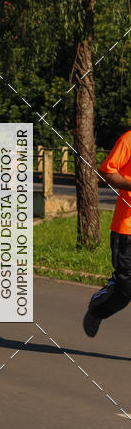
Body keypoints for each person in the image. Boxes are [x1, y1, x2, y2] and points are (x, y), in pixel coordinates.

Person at [83, 129, 131, 336]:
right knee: (126, 288)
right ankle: (98, 308)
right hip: (127, 229)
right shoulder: (129, 139)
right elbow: (107, 172)